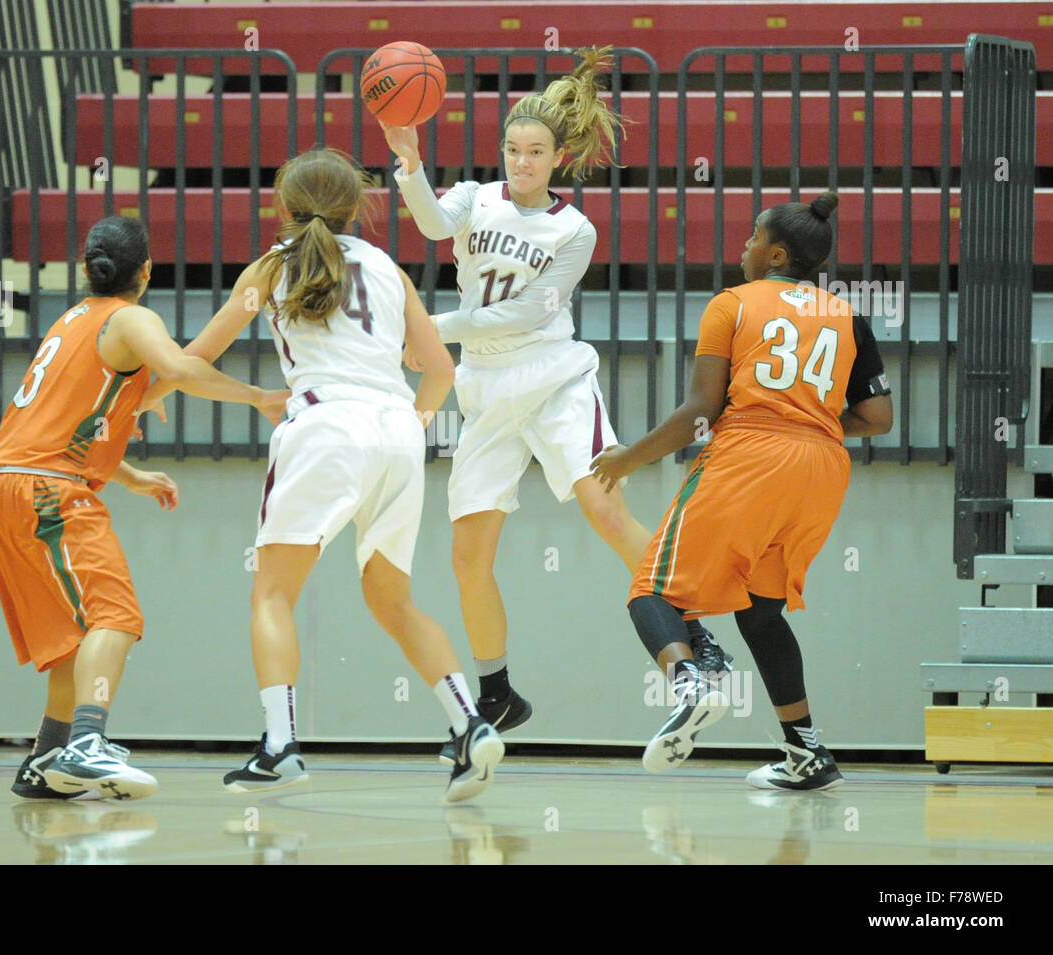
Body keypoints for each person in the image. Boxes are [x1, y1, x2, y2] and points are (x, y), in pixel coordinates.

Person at [379, 47, 725, 762]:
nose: (521, 162)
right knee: (467, 555)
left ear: (559, 156)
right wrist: (409, 160)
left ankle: (697, 644)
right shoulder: (475, 197)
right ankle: (499, 694)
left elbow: (522, 317)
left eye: (535, 152)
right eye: (512, 149)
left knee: (605, 510)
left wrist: (430, 330)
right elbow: (434, 228)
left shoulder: (575, 230)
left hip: (555, 377)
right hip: (485, 390)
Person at [140, 148, 505, 802]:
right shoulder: (390, 269)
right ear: (355, 205)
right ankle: (470, 724)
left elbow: (187, 364)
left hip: (324, 426)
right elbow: (439, 370)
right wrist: (415, 422)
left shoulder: (272, 266)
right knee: (393, 599)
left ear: (283, 204)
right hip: (394, 430)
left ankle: (280, 746)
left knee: (273, 595)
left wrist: (175, 400)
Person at [0, 215, 289, 801]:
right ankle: (88, 745)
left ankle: (47, 756)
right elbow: (178, 367)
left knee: (77, 640)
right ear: (145, 272)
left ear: (86, 269)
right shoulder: (132, 318)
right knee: (115, 618)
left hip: (5, 486)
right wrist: (256, 397)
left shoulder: (69, 321)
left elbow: (53, 426)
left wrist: (127, 474)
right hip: (47, 491)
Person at [591, 192, 893, 790]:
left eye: (752, 238)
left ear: (776, 252)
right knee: (760, 611)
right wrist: (811, 424)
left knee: (651, 591)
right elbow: (878, 417)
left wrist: (629, 457)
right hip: (823, 465)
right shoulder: (848, 315)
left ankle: (692, 683)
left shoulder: (732, 304)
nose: (744, 247)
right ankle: (807, 752)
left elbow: (700, 412)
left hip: (751, 453)